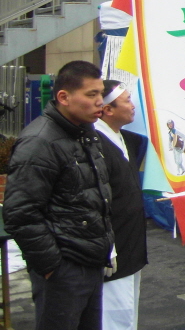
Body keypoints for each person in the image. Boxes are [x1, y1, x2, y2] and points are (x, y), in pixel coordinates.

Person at [3, 61, 114, 330]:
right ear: (64, 97)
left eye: (100, 93)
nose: (100, 102)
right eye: (91, 94)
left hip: (90, 261)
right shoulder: (39, 142)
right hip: (64, 270)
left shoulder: (85, 132)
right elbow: (20, 213)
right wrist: (52, 267)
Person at [93, 81, 148, 330]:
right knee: (113, 316)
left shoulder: (126, 139)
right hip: (112, 247)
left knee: (128, 313)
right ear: (108, 109)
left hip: (130, 242)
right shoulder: (95, 144)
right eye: (126, 100)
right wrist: (106, 246)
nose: (132, 106)